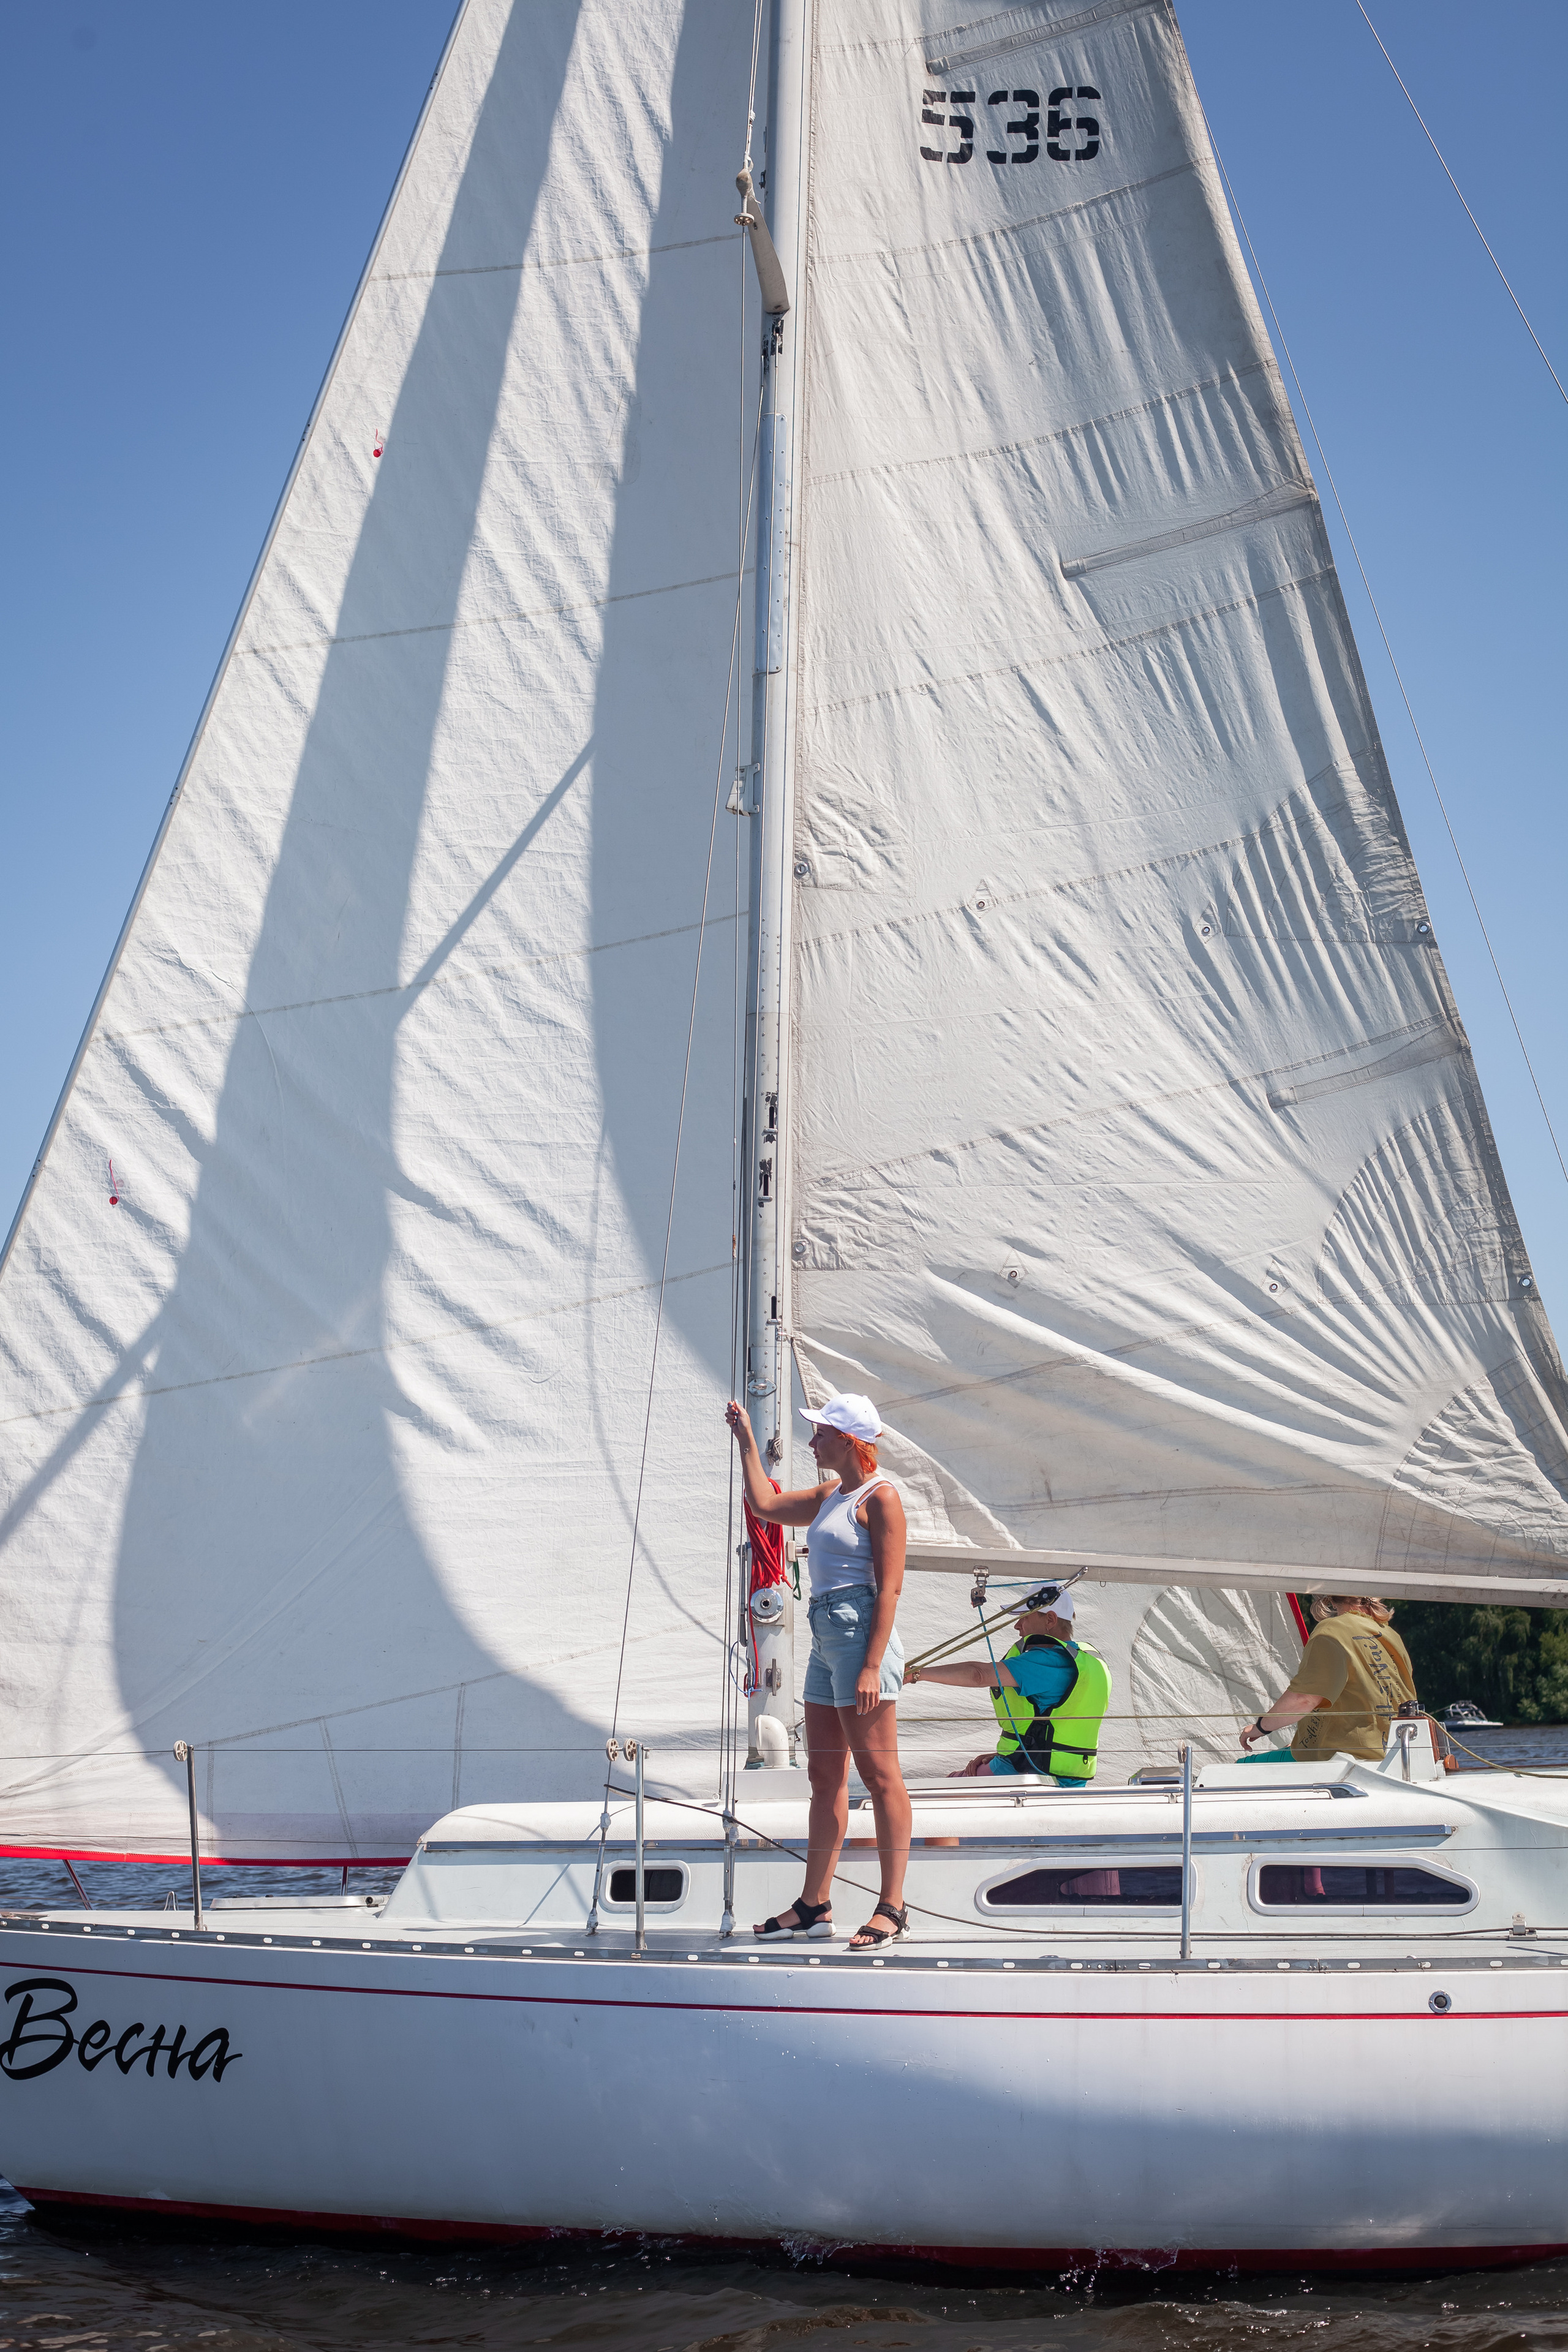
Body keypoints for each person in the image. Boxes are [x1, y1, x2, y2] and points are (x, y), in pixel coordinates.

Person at [725, 1390, 911, 1949]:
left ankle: (893, 1908)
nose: (812, 1442)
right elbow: (764, 1506)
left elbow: (891, 1589)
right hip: (827, 1637)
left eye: (822, 1434)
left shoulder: (881, 1499)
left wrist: (873, 1665)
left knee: (880, 1778)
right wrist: (747, 1443)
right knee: (824, 1779)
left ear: (850, 1441)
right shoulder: (834, 1493)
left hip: (860, 1638)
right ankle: (815, 1905)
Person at [907, 1586, 1110, 1784]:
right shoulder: (1089, 1661)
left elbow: (979, 1676)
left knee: (950, 1783)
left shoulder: (1046, 1662)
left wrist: (916, 1673)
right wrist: (1001, 1753)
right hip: (1070, 1779)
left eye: (1025, 1617)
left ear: (1050, 1620)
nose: (1017, 1626)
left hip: (1026, 1773)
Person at [1239, 1595, 1416, 1762]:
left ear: (1329, 1598)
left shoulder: (1331, 1631)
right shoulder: (1389, 1634)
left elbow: (1304, 1699)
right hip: (1395, 1755)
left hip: (1342, 1759)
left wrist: (1259, 1728)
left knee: (1240, 1768)